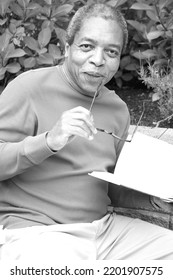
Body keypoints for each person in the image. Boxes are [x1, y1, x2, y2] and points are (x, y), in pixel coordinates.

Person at [0, 3, 173, 261]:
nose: (98, 60)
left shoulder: (117, 109)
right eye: (87, 46)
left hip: (105, 232)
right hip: (38, 232)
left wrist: (156, 198)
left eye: (111, 52)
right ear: (68, 48)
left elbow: (112, 189)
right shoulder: (28, 88)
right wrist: (49, 140)